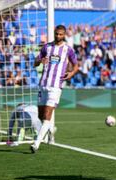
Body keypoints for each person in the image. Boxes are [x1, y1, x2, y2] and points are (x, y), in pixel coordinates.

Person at [30, 25, 78, 153]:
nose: (58, 36)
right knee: (41, 116)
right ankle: (51, 131)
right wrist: (40, 60)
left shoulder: (68, 50)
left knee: (46, 116)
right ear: (54, 33)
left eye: (61, 34)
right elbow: (35, 62)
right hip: (43, 84)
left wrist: (71, 74)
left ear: (64, 35)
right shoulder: (47, 47)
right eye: (56, 34)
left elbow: (76, 65)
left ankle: (36, 143)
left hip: (56, 86)